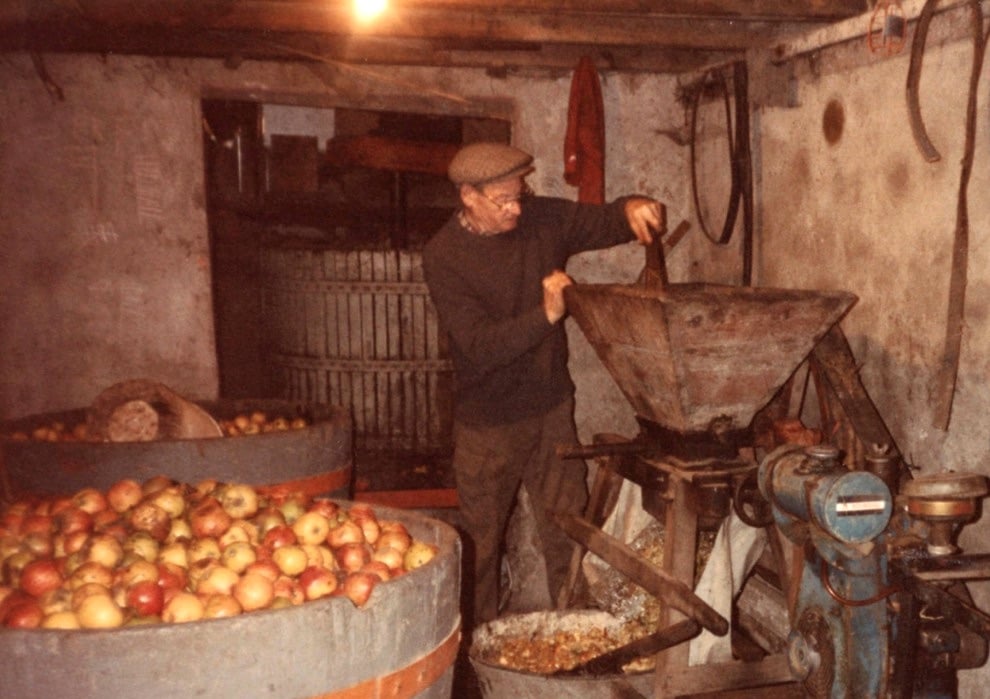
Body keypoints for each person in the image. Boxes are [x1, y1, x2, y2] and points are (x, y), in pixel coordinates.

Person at [422, 142, 661, 628]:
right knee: (481, 546)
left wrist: (633, 206)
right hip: (487, 425)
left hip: (551, 410)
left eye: (519, 195)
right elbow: (478, 347)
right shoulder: (444, 256)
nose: (515, 208)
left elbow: (604, 221)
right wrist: (547, 315)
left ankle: (574, 638)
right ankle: (476, 657)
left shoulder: (538, 218)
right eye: (502, 200)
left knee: (568, 532)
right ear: (468, 196)